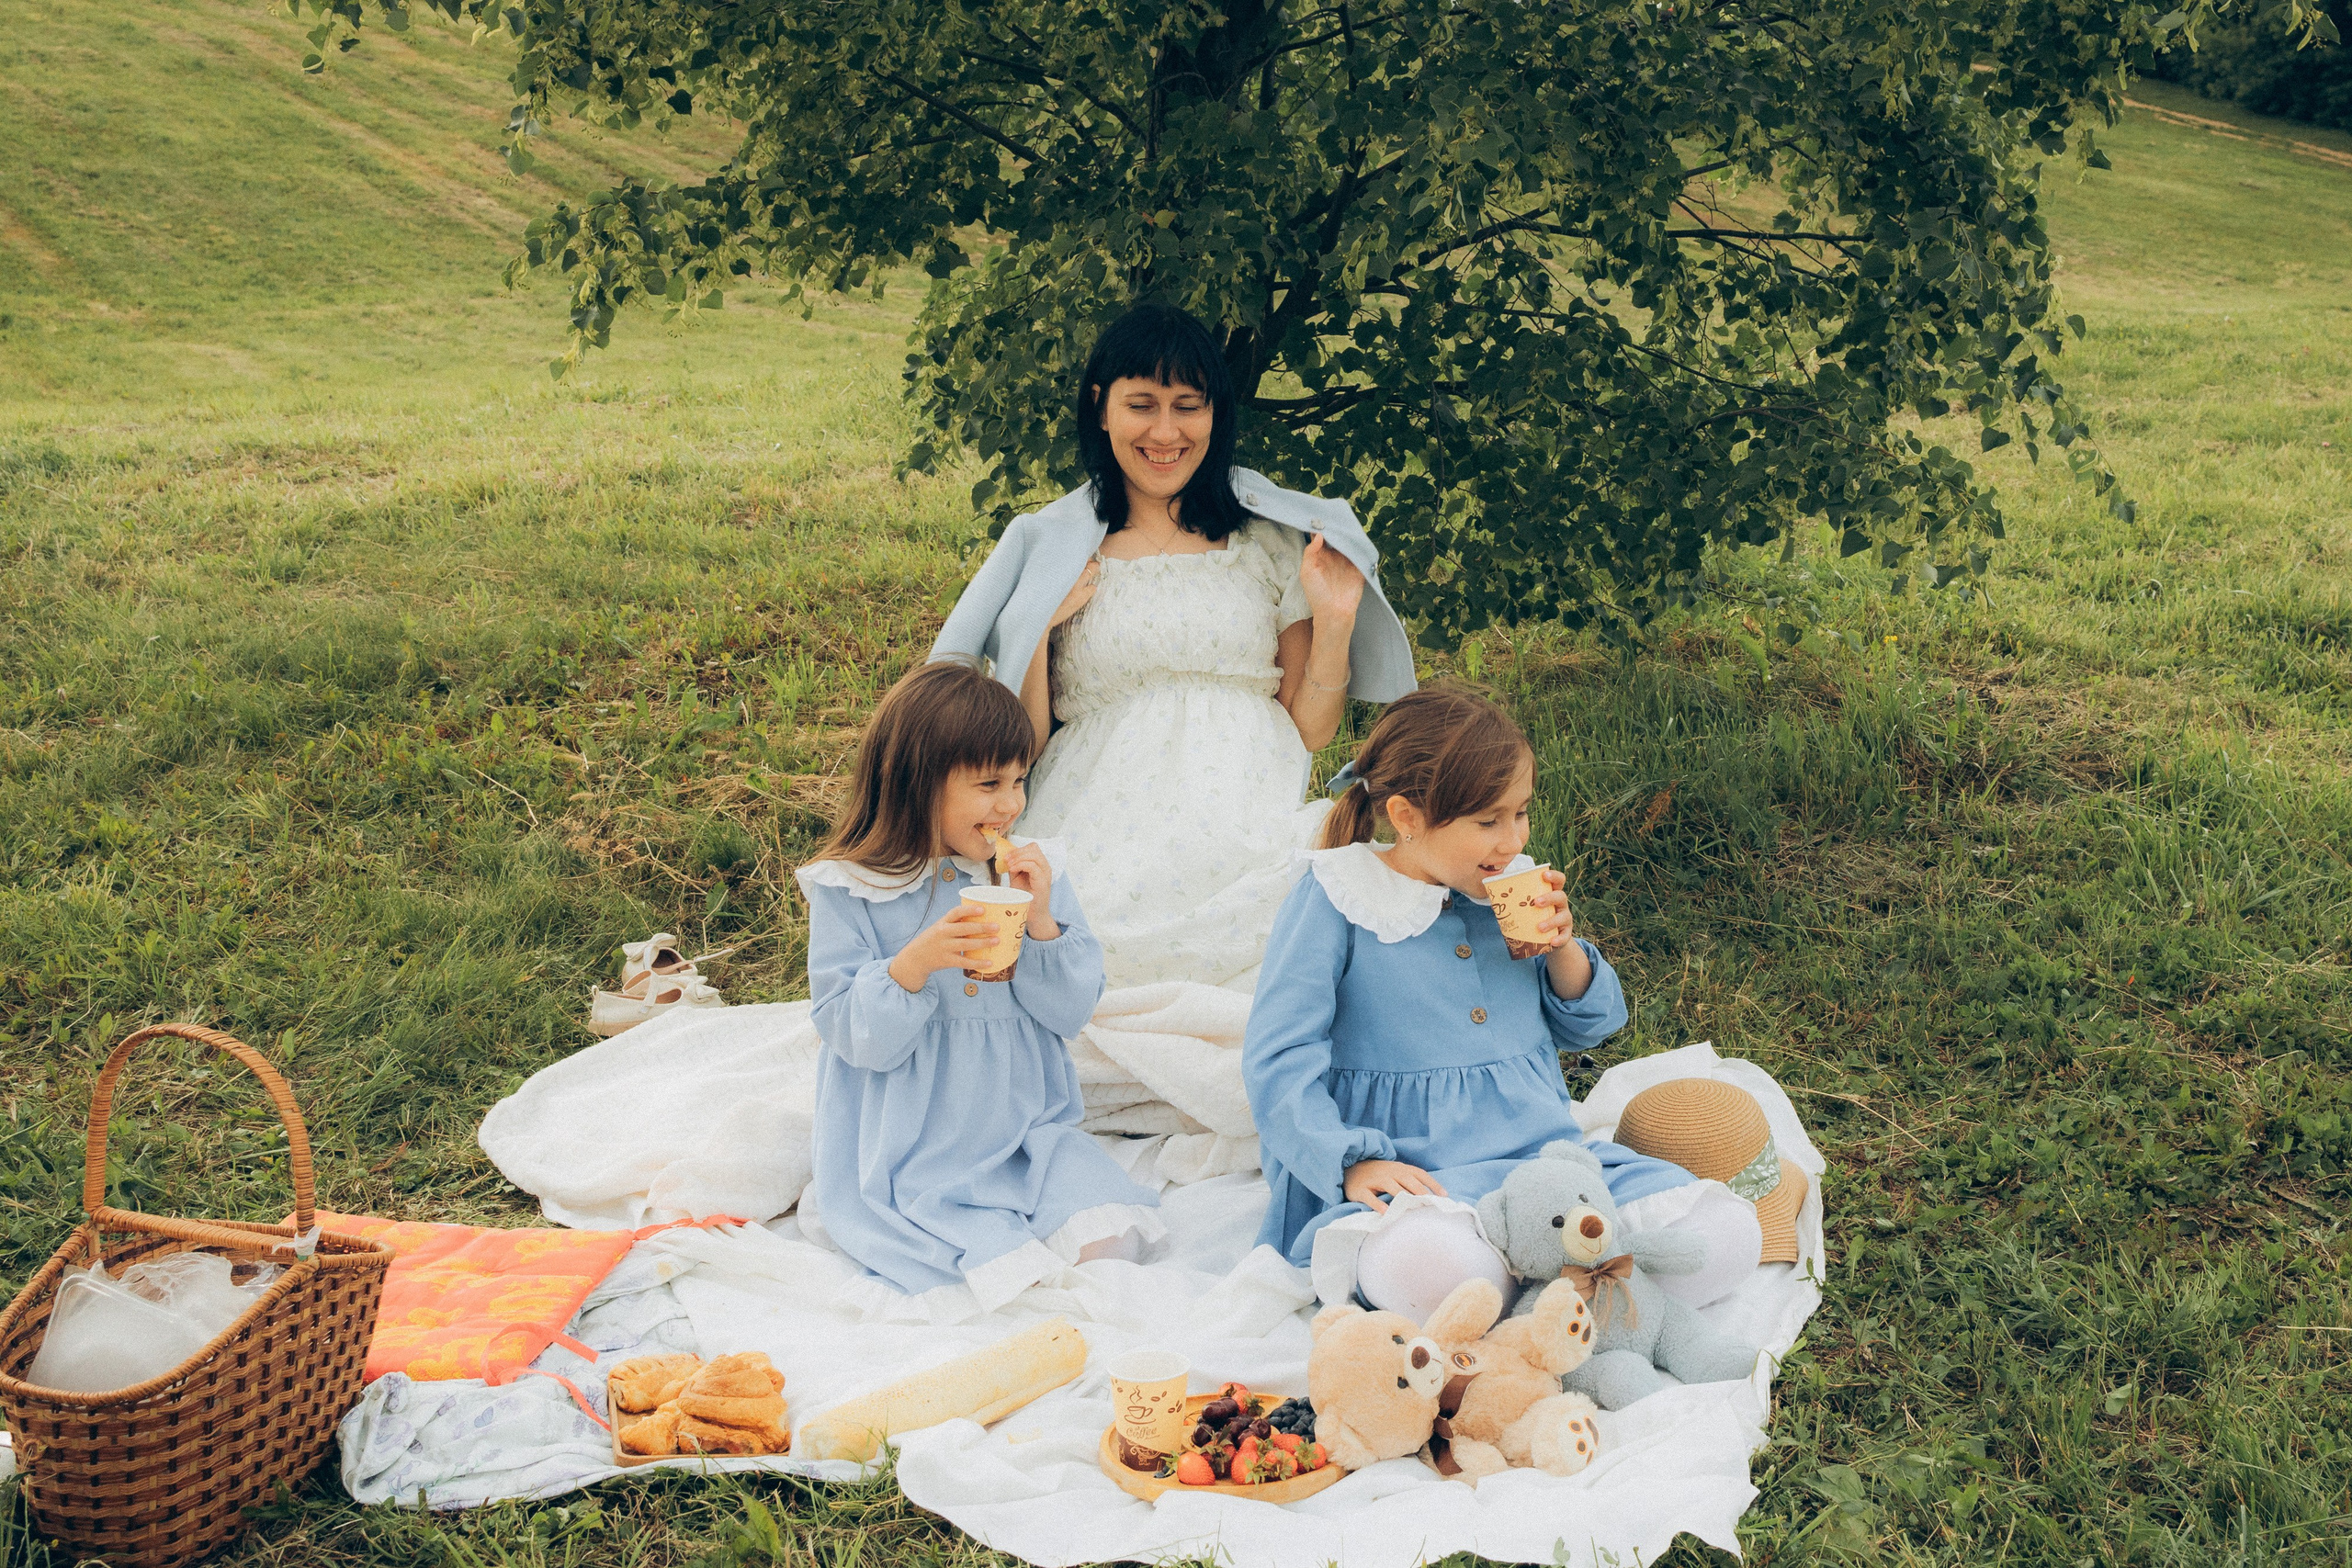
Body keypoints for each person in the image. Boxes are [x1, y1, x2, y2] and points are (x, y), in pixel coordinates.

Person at [929, 303, 1418, 988]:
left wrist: (1335, 621)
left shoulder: (1266, 543)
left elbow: (1309, 727)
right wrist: (1039, 627)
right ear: (1101, 408)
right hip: (1099, 814)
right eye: (1142, 405)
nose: (1165, 432)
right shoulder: (1059, 548)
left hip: (1245, 811)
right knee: (1084, 952)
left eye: (1188, 406)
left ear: (1215, 415)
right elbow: (1025, 741)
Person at [1243, 688, 1761, 1319]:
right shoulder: (1338, 897)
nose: (1512, 838)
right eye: (1488, 821)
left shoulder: (1508, 891)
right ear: (1406, 816)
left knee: (1730, 1234)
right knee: (1431, 1269)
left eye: (1521, 812)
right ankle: (1571, 1293)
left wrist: (1564, 948)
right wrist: (1351, 1162)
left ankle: (1541, 1294)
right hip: (1423, 1175)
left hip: (1547, 1158)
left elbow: (1592, 1024)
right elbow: (1278, 1057)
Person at [793, 661, 1162, 1309]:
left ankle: (1037, 1210)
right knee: (994, 1279)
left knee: (1113, 1244)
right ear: (916, 784)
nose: (1010, 804)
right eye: (989, 783)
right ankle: (973, 1226)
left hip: (1025, 1131)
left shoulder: (1029, 871)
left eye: (1019, 780)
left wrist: (1041, 918)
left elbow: (1071, 1009)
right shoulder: (854, 887)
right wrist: (913, 966)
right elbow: (850, 1031)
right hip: (917, 1142)